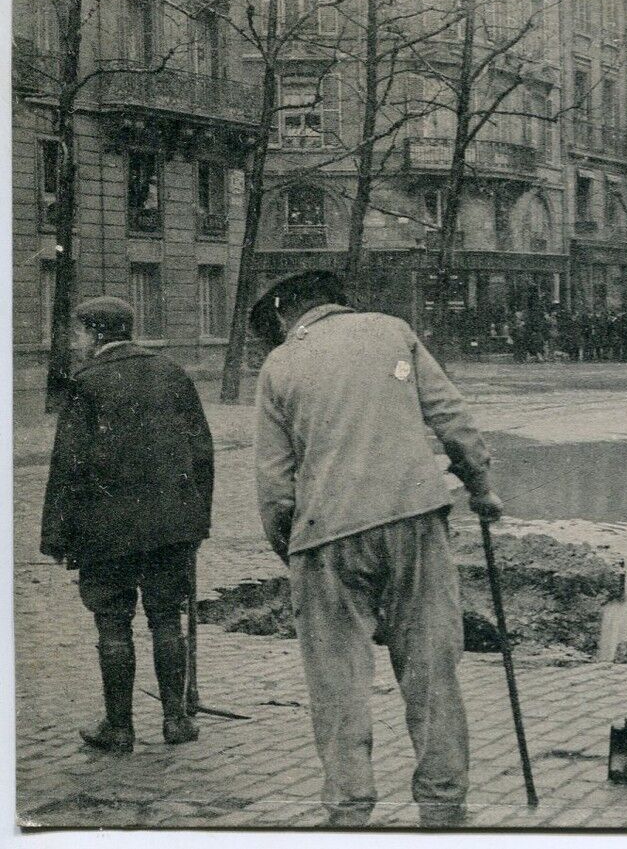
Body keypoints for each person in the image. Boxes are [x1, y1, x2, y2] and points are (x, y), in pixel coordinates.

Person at [252, 270, 502, 827]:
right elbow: (452, 418)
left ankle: (348, 807)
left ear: (283, 314)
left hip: (327, 533)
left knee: (338, 680)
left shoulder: (279, 364)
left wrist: (293, 549)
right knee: (432, 667)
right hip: (414, 519)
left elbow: (273, 486)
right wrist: (482, 490)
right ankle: (442, 803)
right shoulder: (394, 332)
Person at [41, 296, 214, 752]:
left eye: (78, 332)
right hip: (171, 526)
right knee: (165, 620)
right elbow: (202, 454)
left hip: (106, 530)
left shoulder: (85, 383)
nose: (73, 343)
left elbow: (68, 466)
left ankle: (119, 729)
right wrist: (197, 521)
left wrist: (57, 535)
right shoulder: (173, 373)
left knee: (113, 624)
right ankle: (176, 721)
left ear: (97, 334)